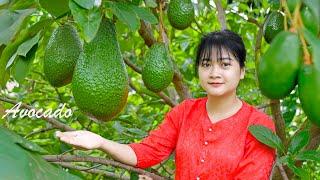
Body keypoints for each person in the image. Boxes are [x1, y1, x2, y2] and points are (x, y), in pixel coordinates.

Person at [56, 29, 276, 180]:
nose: (214, 73)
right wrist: (100, 142)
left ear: (242, 71)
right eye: (206, 64)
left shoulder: (259, 126)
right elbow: (145, 153)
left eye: (225, 64)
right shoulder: (185, 112)